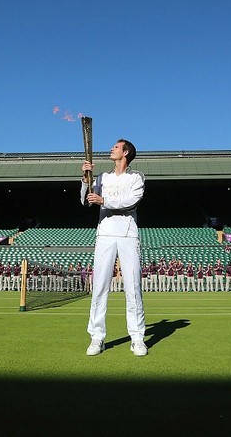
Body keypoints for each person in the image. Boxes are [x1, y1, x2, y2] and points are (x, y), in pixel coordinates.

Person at [81, 139, 147, 357]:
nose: (111, 149)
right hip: (105, 234)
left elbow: (132, 201)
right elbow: (87, 201)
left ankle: (137, 338)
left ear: (125, 152)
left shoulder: (137, 177)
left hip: (128, 234)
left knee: (133, 287)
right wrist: (86, 179)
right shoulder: (102, 177)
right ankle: (97, 337)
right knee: (99, 286)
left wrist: (104, 199)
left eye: (116, 147)